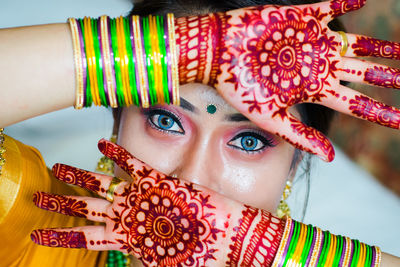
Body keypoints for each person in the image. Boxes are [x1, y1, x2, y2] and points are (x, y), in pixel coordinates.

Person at [0, 0, 399, 266]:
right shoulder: (42, 232)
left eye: (249, 141)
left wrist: (271, 252)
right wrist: (194, 49)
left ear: (295, 164)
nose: (191, 178)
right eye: (166, 121)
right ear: (116, 119)